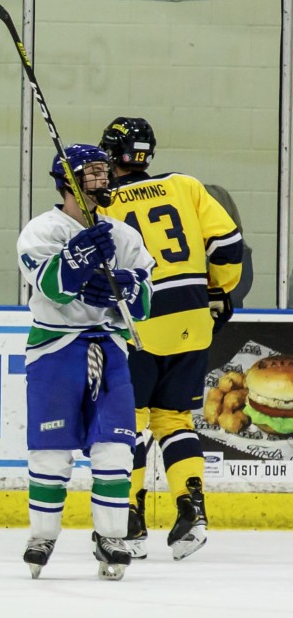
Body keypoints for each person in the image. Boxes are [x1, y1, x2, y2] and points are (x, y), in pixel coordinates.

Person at [98, 116, 244, 561]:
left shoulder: (102, 204)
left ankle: (129, 515)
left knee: (134, 420)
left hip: (139, 321)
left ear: (110, 154)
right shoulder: (186, 186)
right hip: (193, 318)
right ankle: (191, 510)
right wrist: (218, 289)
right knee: (175, 419)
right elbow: (228, 245)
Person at [16, 143, 154, 581]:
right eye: (92, 173)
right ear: (68, 182)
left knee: (115, 446)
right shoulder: (42, 230)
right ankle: (42, 535)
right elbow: (55, 289)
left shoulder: (124, 234)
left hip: (110, 347)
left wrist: (126, 288)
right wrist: (79, 258)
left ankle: (112, 536)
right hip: (54, 350)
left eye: (103, 172)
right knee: (51, 453)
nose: (103, 179)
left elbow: (147, 301)